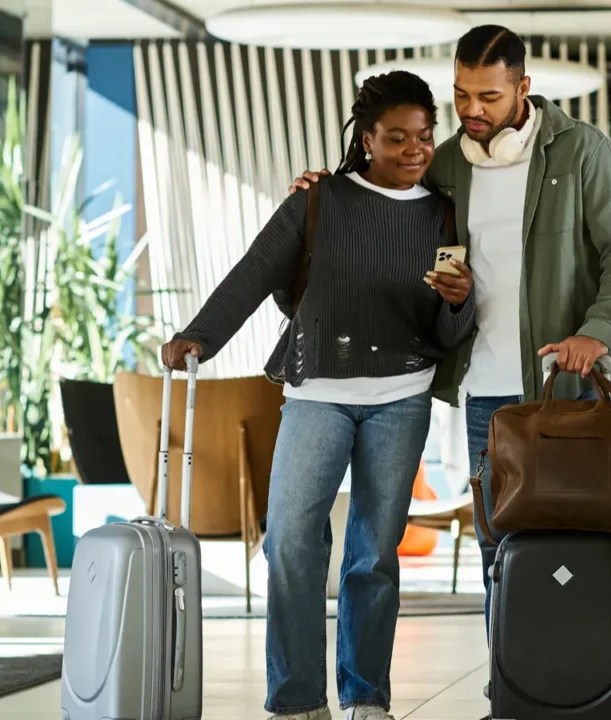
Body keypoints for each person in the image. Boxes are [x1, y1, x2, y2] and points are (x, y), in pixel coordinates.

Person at [290, 25, 611, 720]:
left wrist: (595, 330)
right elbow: (385, 195)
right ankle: (514, 687)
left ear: (523, 88)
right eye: (461, 94)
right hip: (483, 395)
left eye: (488, 96)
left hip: (569, 386)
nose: (472, 109)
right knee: (502, 548)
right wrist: (324, 190)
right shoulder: (446, 167)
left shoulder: (578, 151)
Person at [161, 70, 476, 720]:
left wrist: (459, 301)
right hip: (317, 395)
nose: (415, 150)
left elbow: (448, 333)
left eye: (424, 136)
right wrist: (198, 337)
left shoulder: (442, 213)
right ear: (366, 139)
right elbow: (254, 272)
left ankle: (366, 698)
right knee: (292, 541)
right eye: (398, 138)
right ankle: (298, 700)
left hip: (404, 396)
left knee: (373, 552)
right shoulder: (316, 202)